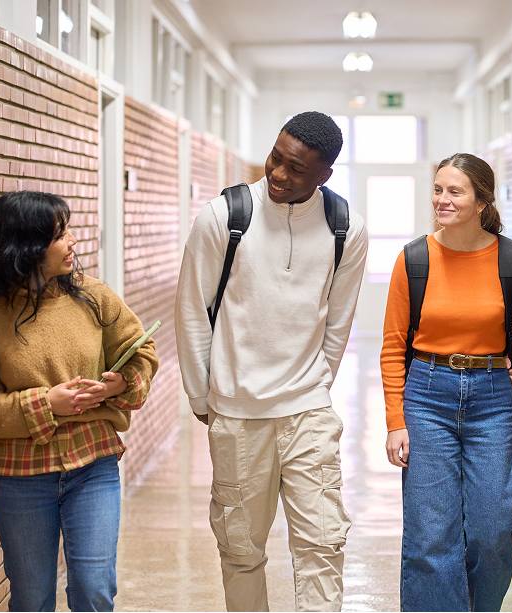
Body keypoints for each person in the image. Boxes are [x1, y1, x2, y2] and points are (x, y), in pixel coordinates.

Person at [175, 111, 368, 612]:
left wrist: (314, 383)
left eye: (296, 169)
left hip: (307, 410)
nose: (279, 175)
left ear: (325, 175)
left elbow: (337, 323)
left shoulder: (345, 228)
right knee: (240, 550)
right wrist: (203, 396)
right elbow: (194, 310)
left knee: (323, 545)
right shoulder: (224, 216)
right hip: (238, 412)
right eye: (275, 159)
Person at [0, 191, 159, 612]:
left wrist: (117, 385)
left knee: (94, 589)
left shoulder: (93, 296)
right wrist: (46, 404)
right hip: (19, 475)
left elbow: (143, 350)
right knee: (31, 599)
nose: (73, 242)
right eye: (60, 234)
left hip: (93, 465)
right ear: (26, 245)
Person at [380, 153, 512, 612]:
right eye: (437, 189)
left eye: (454, 191)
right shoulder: (414, 259)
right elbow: (394, 346)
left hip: (491, 399)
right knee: (431, 535)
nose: (442, 199)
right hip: (426, 395)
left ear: (481, 201)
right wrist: (396, 420)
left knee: (491, 530)